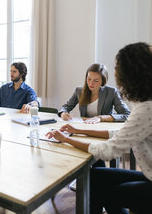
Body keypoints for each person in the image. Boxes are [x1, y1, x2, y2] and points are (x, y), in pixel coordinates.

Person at [47, 42, 152, 214]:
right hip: (148, 175)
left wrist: (66, 139)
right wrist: (79, 129)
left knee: (104, 191)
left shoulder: (145, 108)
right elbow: (118, 133)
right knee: (95, 177)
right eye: (89, 79)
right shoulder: (145, 104)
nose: (91, 83)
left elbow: (107, 151)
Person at [58, 63, 130, 124]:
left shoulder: (111, 92)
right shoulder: (79, 91)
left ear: (103, 81)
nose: (91, 83)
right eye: (89, 79)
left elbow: (126, 115)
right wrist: (63, 113)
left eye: (96, 81)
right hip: (85, 126)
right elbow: (66, 107)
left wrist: (101, 118)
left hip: (103, 128)